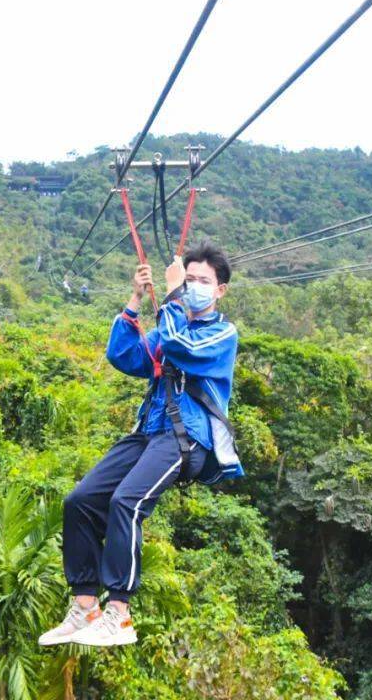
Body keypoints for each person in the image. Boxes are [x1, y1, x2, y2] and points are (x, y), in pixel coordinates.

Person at [39, 241, 243, 647]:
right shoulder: (169, 325)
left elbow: (182, 350)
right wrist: (134, 299)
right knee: (80, 500)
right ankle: (85, 606)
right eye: (190, 280)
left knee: (126, 501)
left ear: (220, 290)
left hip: (189, 437)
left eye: (203, 282)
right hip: (150, 431)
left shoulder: (222, 333)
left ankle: (119, 613)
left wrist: (171, 296)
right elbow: (126, 357)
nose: (195, 287)